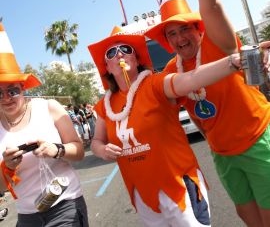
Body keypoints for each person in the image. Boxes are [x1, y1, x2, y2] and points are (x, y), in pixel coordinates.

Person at [145, 0, 270, 226]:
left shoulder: (218, 42)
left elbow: (210, 4)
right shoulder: (170, 70)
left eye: (185, 29)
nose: (180, 38)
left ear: (198, 28)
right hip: (223, 155)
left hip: (258, 141)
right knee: (248, 216)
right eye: (172, 33)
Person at [88, 25, 241, 227]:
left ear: (137, 59)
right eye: (111, 53)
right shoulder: (104, 106)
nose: (119, 55)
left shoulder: (155, 84)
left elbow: (191, 79)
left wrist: (234, 62)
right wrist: (101, 149)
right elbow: (96, 141)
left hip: (178, 186)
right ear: (106, 66)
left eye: (126, 49)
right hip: (143, 194)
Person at [0, 22, 89, 226]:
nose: (6, 98)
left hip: (65, 205)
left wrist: (55, 149)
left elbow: (79, 151)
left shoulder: (49, 107)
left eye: (12, 90)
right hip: (27, 216)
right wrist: (7, 168)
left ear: (23, 88)